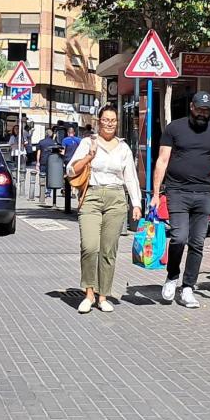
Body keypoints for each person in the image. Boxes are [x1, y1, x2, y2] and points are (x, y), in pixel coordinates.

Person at [151, 92, 210, 309]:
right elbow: (162, 161)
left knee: (197, 243)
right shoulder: (175, 129)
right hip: (177, 192)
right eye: (200, 109)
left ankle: (188, 287)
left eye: (207, 110)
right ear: (191, 107)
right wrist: (155, 194)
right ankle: (172, 277)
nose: (203, 113)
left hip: (203, 194)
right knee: (179, 237)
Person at [69, 105, 142, 314]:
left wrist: (136, 203)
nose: (110, 123)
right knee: (90, 247)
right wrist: (89, 157)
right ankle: (88, 293)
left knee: (109, 250)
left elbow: (130, 177)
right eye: (106, 119)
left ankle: (103, 296)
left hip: (116, 198)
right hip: (91, 195)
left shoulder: (123, 148)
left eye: (114, 120)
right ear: (99, 121)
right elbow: (71, 169)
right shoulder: (87, 143)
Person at [35, 128, 61, 207]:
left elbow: (38, 153)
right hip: (51, 162)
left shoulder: (41, 142)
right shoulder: (54, 143)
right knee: (50, 177)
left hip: (43, 161)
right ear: (51, 135)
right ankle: (48, 192)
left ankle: (42, 192)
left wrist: (37, 162)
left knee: (42, 176)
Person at [60, 125, 83, 213]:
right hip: (76, 160)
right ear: (74, 132)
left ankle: (67, 190)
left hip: (67, 160)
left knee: (67, 176)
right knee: (75, 175)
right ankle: (74, 191)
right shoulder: (78, 140)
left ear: (68, 133)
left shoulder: (65, 140)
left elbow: (63, 151)